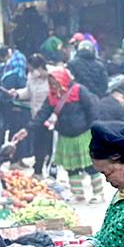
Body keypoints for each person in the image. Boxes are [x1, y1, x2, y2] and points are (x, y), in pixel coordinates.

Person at [34, 67, 101, 201]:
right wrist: (29, 128)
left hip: (83, 134)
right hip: (65, 137)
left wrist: (94, 129)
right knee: (71, 168)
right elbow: (43, 113)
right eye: (51, 83)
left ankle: (98, 194)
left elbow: (91, 109)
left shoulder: (78, 90)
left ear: (63, 79)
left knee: (90, 165)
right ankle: (78, 195)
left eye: (56, 82)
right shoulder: (52, 96)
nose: (54, 85)